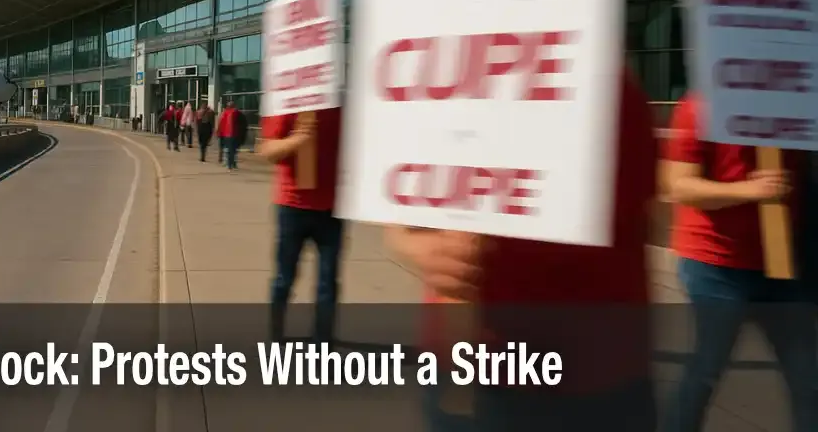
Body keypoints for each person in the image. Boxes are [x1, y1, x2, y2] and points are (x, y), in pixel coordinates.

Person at [390, 68, 660, 432]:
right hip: (467, 365)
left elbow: (639, 215)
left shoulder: (606, 82)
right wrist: (417, 243)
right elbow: (394, 198)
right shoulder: (439, 79)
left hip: (592, 379)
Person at [659, 91, 815, 432]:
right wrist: (750, 191)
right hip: (715, 265)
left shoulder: (795, 103)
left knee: (808, 378)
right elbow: (679, 186)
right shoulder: (700, 106)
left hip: (783, 266)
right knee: (705, 371)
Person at [259, 108, 344, 343]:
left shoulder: (341, 104)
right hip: (292, 206)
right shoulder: (287, 102)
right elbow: (268, 150)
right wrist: (298, 139)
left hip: (332, 208)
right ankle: (275, 338)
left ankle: (323, 345)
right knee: (284, 279)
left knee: (328, 285)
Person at [217, 100, 246, 171]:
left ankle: (230, 164)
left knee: (229, 150)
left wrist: (219, 133)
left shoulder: (225, 113)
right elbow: (243, 124)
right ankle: (232, 164)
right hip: (234, 134)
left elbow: (221, 124)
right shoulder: (237, 113)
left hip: (227, 134)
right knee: (233, 150)